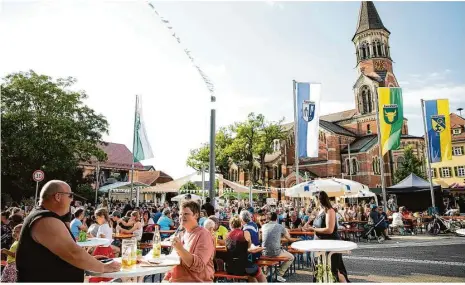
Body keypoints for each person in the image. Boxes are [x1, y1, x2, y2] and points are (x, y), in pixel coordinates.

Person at [15, 180, 120, 282]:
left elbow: (59, 255)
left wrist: (90, 260)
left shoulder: (44, 217)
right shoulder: (45, 220)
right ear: (58, 196)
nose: (72, 200)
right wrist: (103, 267)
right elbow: (73, 253)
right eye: (70, 195)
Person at [164, 201, 215, 282]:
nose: (182, 217)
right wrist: (166, 278)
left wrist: (180, 249)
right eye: (180, 214)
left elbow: (199, 266)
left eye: (186, 214)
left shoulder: (204, 234)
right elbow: (173, 261)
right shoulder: (181, 234)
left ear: (196, 215)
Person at [307, 191, 349, 282]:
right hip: (319, 245)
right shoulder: (319, 211)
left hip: (330, 245)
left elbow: (329, 229)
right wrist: (309, 222)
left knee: (334, 270)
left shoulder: (329, 210)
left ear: (319, 200)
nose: (312, 202)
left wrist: (313, 229)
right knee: (320, 269)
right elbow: (309, 226)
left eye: (313, 199)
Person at [225, 216, 267, 282]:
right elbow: (249, 248)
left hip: (231, 268)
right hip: (246, 267)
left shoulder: (227, 235)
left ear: (231, 225)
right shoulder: (246, 233)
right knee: (259, 273)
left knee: (251, 274)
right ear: (241, 224)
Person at [261, 212, 295, 282]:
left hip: (264, 252)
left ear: (268, 218)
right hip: (275, 252)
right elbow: (289, 238)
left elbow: (262, 238)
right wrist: (286, 230)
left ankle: (269, 272)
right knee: (291, 257)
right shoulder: (280, 226)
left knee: (273, 249)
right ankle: (279, 274)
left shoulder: (263, 226)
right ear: (276, 218)